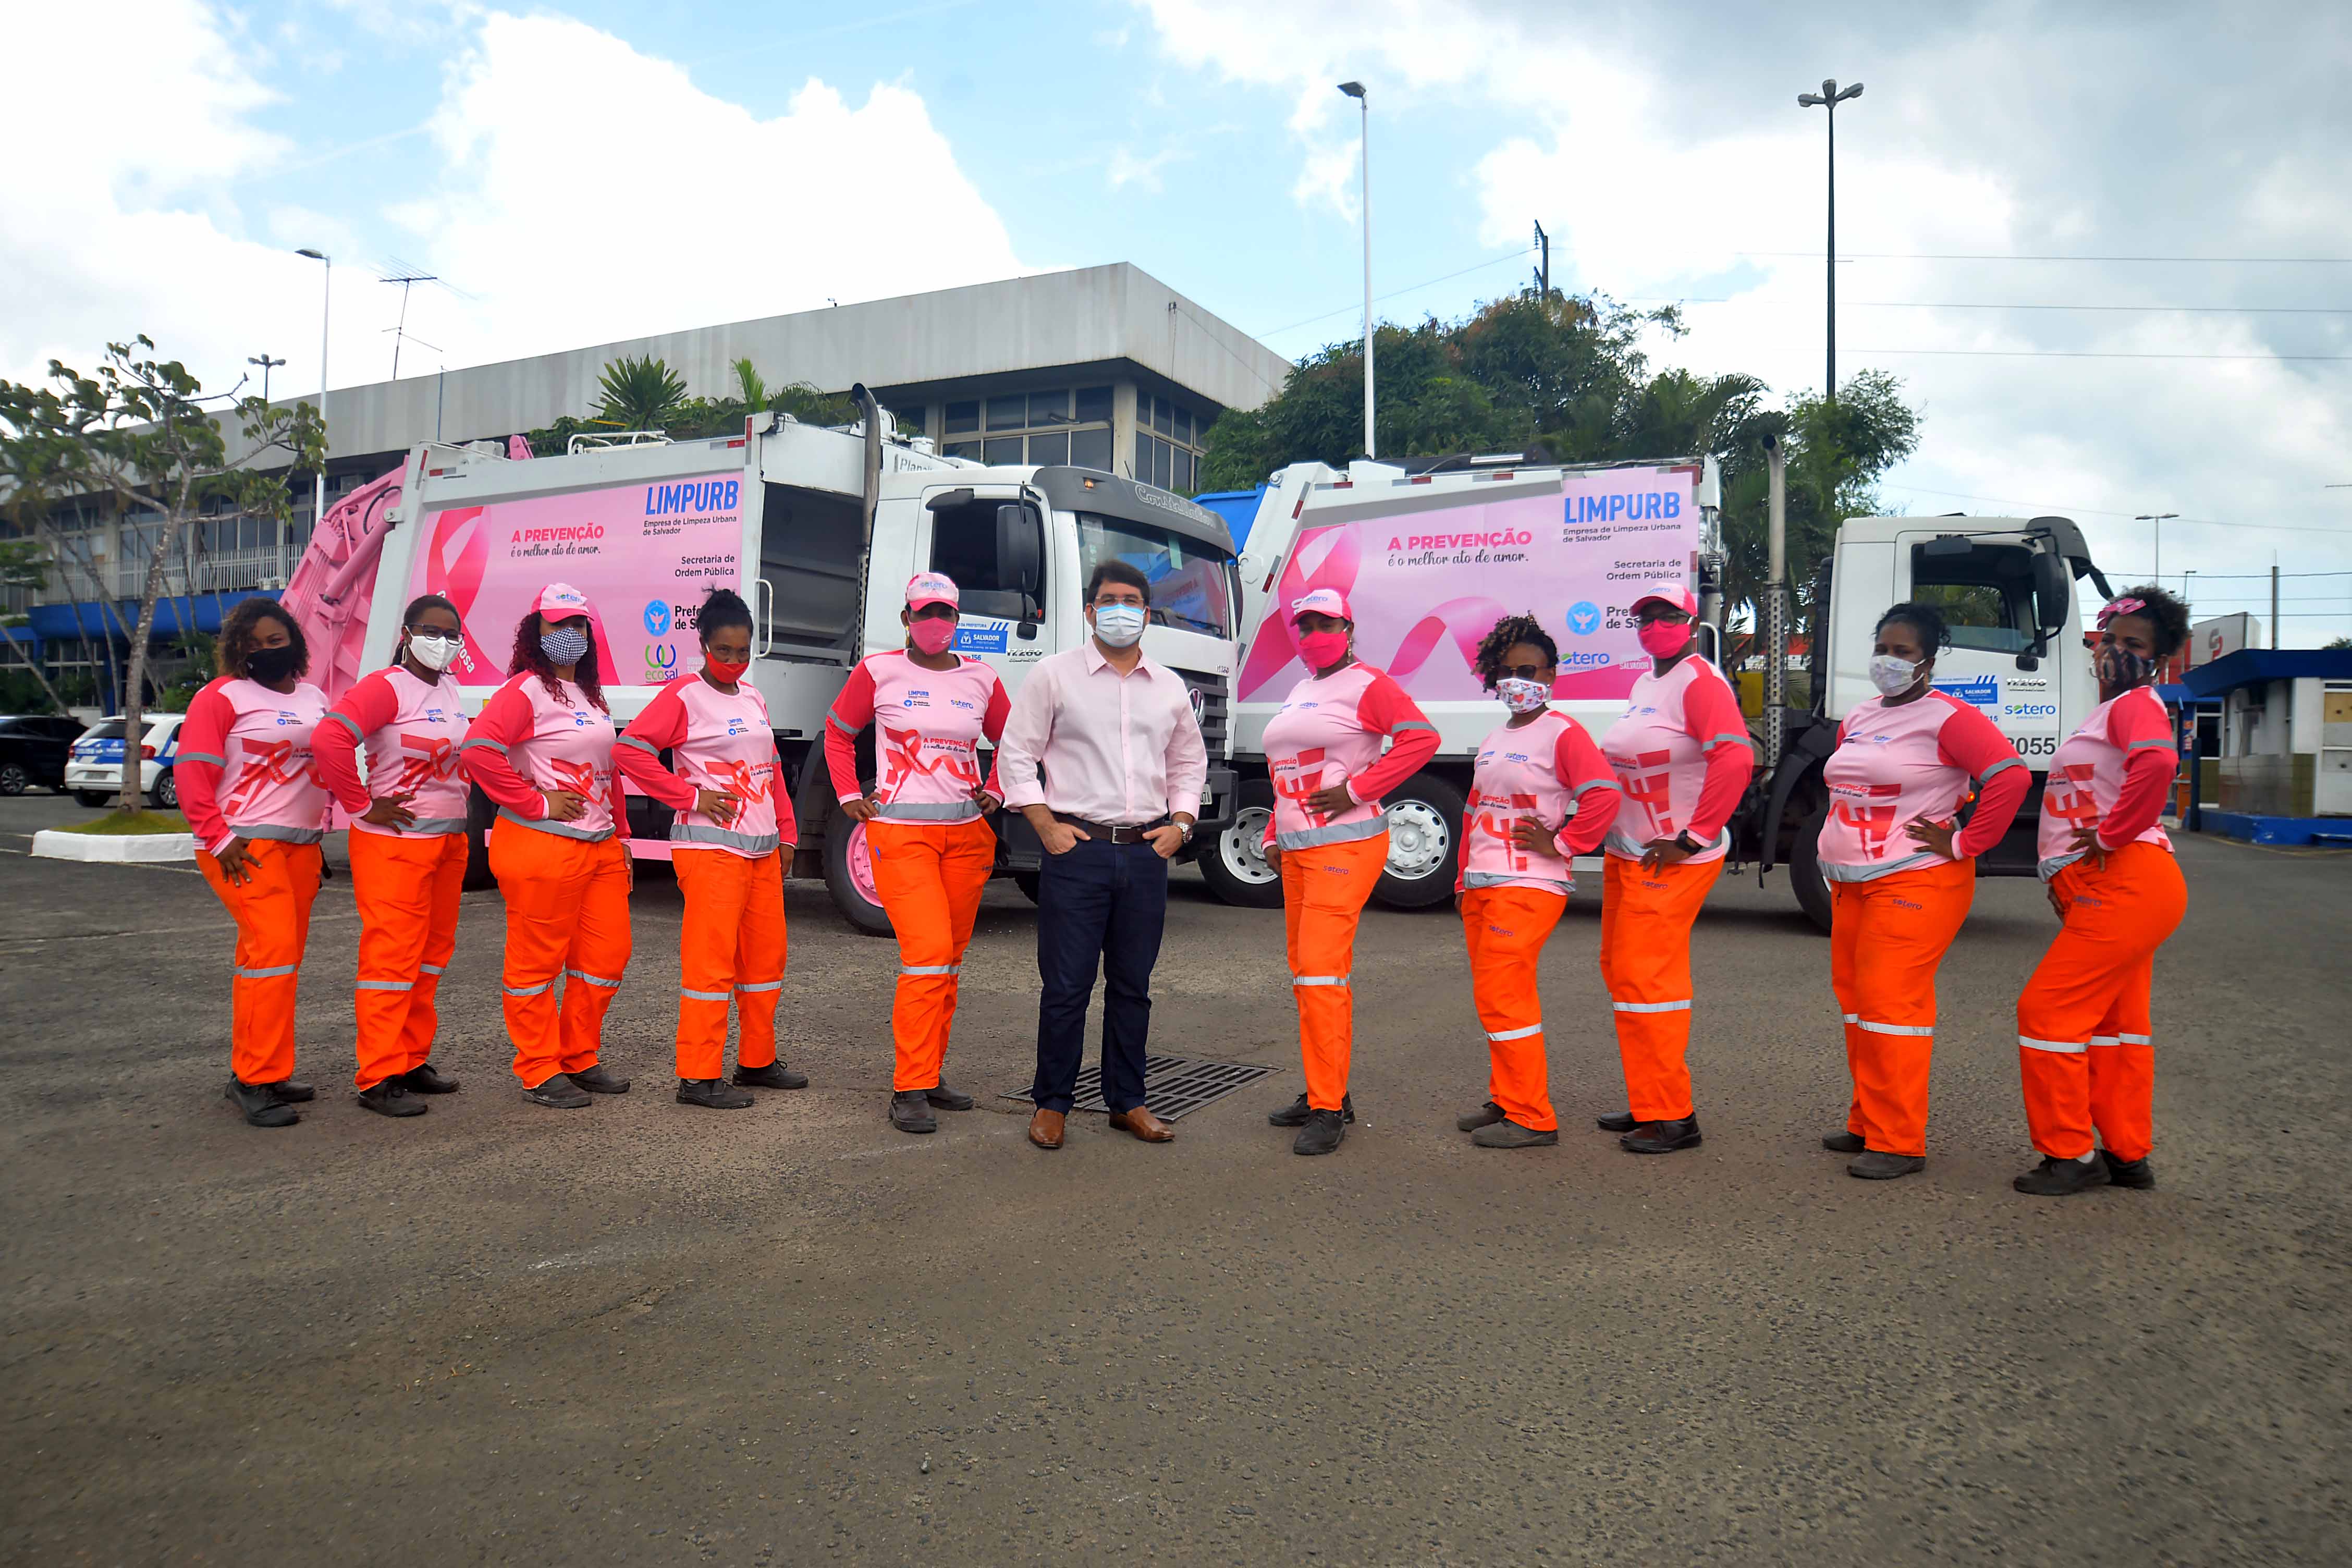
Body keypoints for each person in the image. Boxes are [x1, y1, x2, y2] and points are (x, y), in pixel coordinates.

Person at [996, 560, 1208, 1152]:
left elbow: (1189, 762)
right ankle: (1052, 1103)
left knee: (1133, 984)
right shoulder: (1054, 676)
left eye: (1132, 600)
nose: (1121, 609)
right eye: (1109, 599)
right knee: (1066, 985)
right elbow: (1016, 754)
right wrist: (1043, 821)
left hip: (1144, 851)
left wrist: (1182, 823)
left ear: (1147, 613)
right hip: (1079, 849)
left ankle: (1128, 1100)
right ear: (1091, 611)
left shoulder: (1167, 685)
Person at [1816, 602, 2030, 1179]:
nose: (1888, 660)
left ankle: (1898, 1140)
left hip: (1916, 879)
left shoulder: (1949, 718)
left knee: (1891, 1003)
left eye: (1902, 651)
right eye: (1882, 648)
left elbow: (2011, 776)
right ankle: (1867, 1120)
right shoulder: (1858, 716)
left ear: (1929, 660)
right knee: (1859, 1004)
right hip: (1851, 883)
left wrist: (1965, 842)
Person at [2012, 586, 2190, 1197]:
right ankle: (2126, 1154)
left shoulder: (2135, 704)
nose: (2116, 652)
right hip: (2125, 882)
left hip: (2125, 878)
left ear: (2158, 658)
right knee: (2118, 1025)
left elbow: (2159, 766)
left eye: (2133, 644)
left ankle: (2068, 1153)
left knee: (2048, 1012)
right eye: (2110, 640)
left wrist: (2112, 835)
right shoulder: (2108, 711)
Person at [1258, 586, 1441, 1155]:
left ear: (1348, 628)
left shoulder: (1370, 684)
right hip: (1296, 849)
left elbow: (1421, 738)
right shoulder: (1301, 689)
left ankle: (1330, 1108)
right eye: (1304, 624)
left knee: (1320, 971)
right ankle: (1324, 1088)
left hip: (1344, 846)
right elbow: (1285, 767)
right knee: (1307, 973)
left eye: (1324, 623)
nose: (1313, 633)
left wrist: (1359, 789)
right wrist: (1271, 832)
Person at [825, 572, 1010, 1133]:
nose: (936, 624)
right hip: (902, 836)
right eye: (926, 613)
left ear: (958, 620)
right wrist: (850, 796)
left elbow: (1014, 740)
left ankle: (929, 1072)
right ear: (906, 618)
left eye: (946, 614)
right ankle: (908, 1087)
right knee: (927, 955)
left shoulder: (982, 678)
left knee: (947, 964)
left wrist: (997, 788)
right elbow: (836, 733)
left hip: (966, 836)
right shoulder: (878, 671)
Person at [619, 589, 810, 1109]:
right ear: (703, 644)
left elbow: (770, 771)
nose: (732, 661)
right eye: (723, 651)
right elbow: (629, 750)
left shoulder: (752, 697)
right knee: (712, 965)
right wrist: (691, 796)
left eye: (742, 652)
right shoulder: (684, 695)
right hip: (711, 852)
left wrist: (787, 833)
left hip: (762, 852)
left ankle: (757, 1060)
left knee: (765, 962)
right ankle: (698, 1075)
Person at [458, 583, 634, 1109]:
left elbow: (611, 771)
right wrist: (536, 802)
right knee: (536, 963)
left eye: (579, 625)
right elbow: (478, 751)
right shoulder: (525, 691)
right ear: (538, 631)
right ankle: (538, 1067)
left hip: (599, 846)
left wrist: (621, 833)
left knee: (606, 956)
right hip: (541, 844)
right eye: (559, 625)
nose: (571, 634)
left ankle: (578, 1055)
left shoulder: (589, 693)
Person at [1594, 582, 1755, 1154]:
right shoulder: (1648, 682)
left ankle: (1673, 1115)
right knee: (1623, 970)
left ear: (1691, 621)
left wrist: (1693, 836)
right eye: (1645, 616)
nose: (1655, 625)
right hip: (1628, 850)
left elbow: (1735, 755)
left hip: (1670, 856)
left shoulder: (1699, 682)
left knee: (1648, 978)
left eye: (1667, 615)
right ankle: (1647, 1099)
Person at [1453, 615, 1620, 1149]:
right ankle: (1506, 1097)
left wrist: (1565, 844)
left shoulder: (1564, 733)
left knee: (1506, 994)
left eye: (1528, 670)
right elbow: (1474, 811)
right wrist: (1461, 879)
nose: (1516, 679)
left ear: (1551, 674)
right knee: (1494, 996)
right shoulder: (1497, 737)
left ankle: (1531, 1115)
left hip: (1528, 884)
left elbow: (1603, 794)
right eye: (1507, 670)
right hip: (1482, 882)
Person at [313, 594, 474, 1119]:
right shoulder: (385, 687)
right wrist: (361, 804)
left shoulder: (449, 686)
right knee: (392, 959)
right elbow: (332, 737)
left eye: (453, 634)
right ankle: (378, 1073)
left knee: (430, 956)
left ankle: (410, 1058)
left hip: (447, 842)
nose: (443, 641)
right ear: (406, 633)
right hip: (396, 845)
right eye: (433, 630)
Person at [179, 597, 332, 1128]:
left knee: (275, 962)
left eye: (275, 640)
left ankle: (265, 1068)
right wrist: (218, 838)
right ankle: (253, 1078)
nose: (265, 651)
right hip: (244, 846)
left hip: (302, 846)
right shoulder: (221, 696)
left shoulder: (315, 696)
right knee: (272, 955)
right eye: (253, 644)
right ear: (237, 649)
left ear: (294, 640)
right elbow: (193, 772)